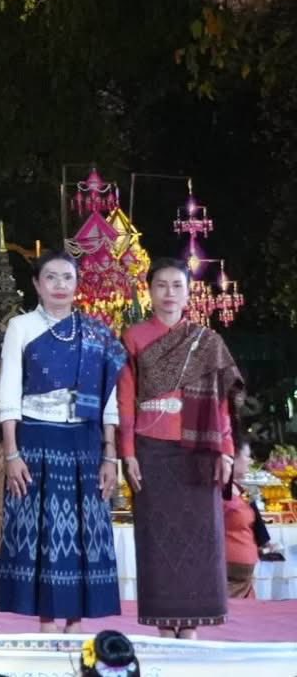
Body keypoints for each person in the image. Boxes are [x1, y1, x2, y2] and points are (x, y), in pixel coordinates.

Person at [0, 251, 126, 632]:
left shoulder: (97, 333)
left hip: (85, 443)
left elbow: (110, 400)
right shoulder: (20, 327)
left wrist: (109, 455)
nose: (59, 285)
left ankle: (77, 625)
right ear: (36, 284)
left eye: (66, 277)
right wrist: (13, 452)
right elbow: (9, 393)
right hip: (35, 441)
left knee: (83, 534)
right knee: (44, 536)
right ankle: (47, 624)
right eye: (50, 278)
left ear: (76, 283)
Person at [119, 257, 244, 638]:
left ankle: (191, 634)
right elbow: (125, 401)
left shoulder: (207, 342)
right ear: (149, 290)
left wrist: (225, 450)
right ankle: (163, 633)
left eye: (177, 285)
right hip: (152, 452)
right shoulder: (133, 337)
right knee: (159, 546)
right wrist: (127, 453)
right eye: (161, 285)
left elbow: (222, 404)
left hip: (198, 454)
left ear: (188, 291)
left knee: (198, 545)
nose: (169, 293)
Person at [224, 441, 271, 598]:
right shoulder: (218, 492)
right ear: (233, 457)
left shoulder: (240, 490)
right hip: (228, 574)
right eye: (247, 456)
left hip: (245, 576)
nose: (250, 461)